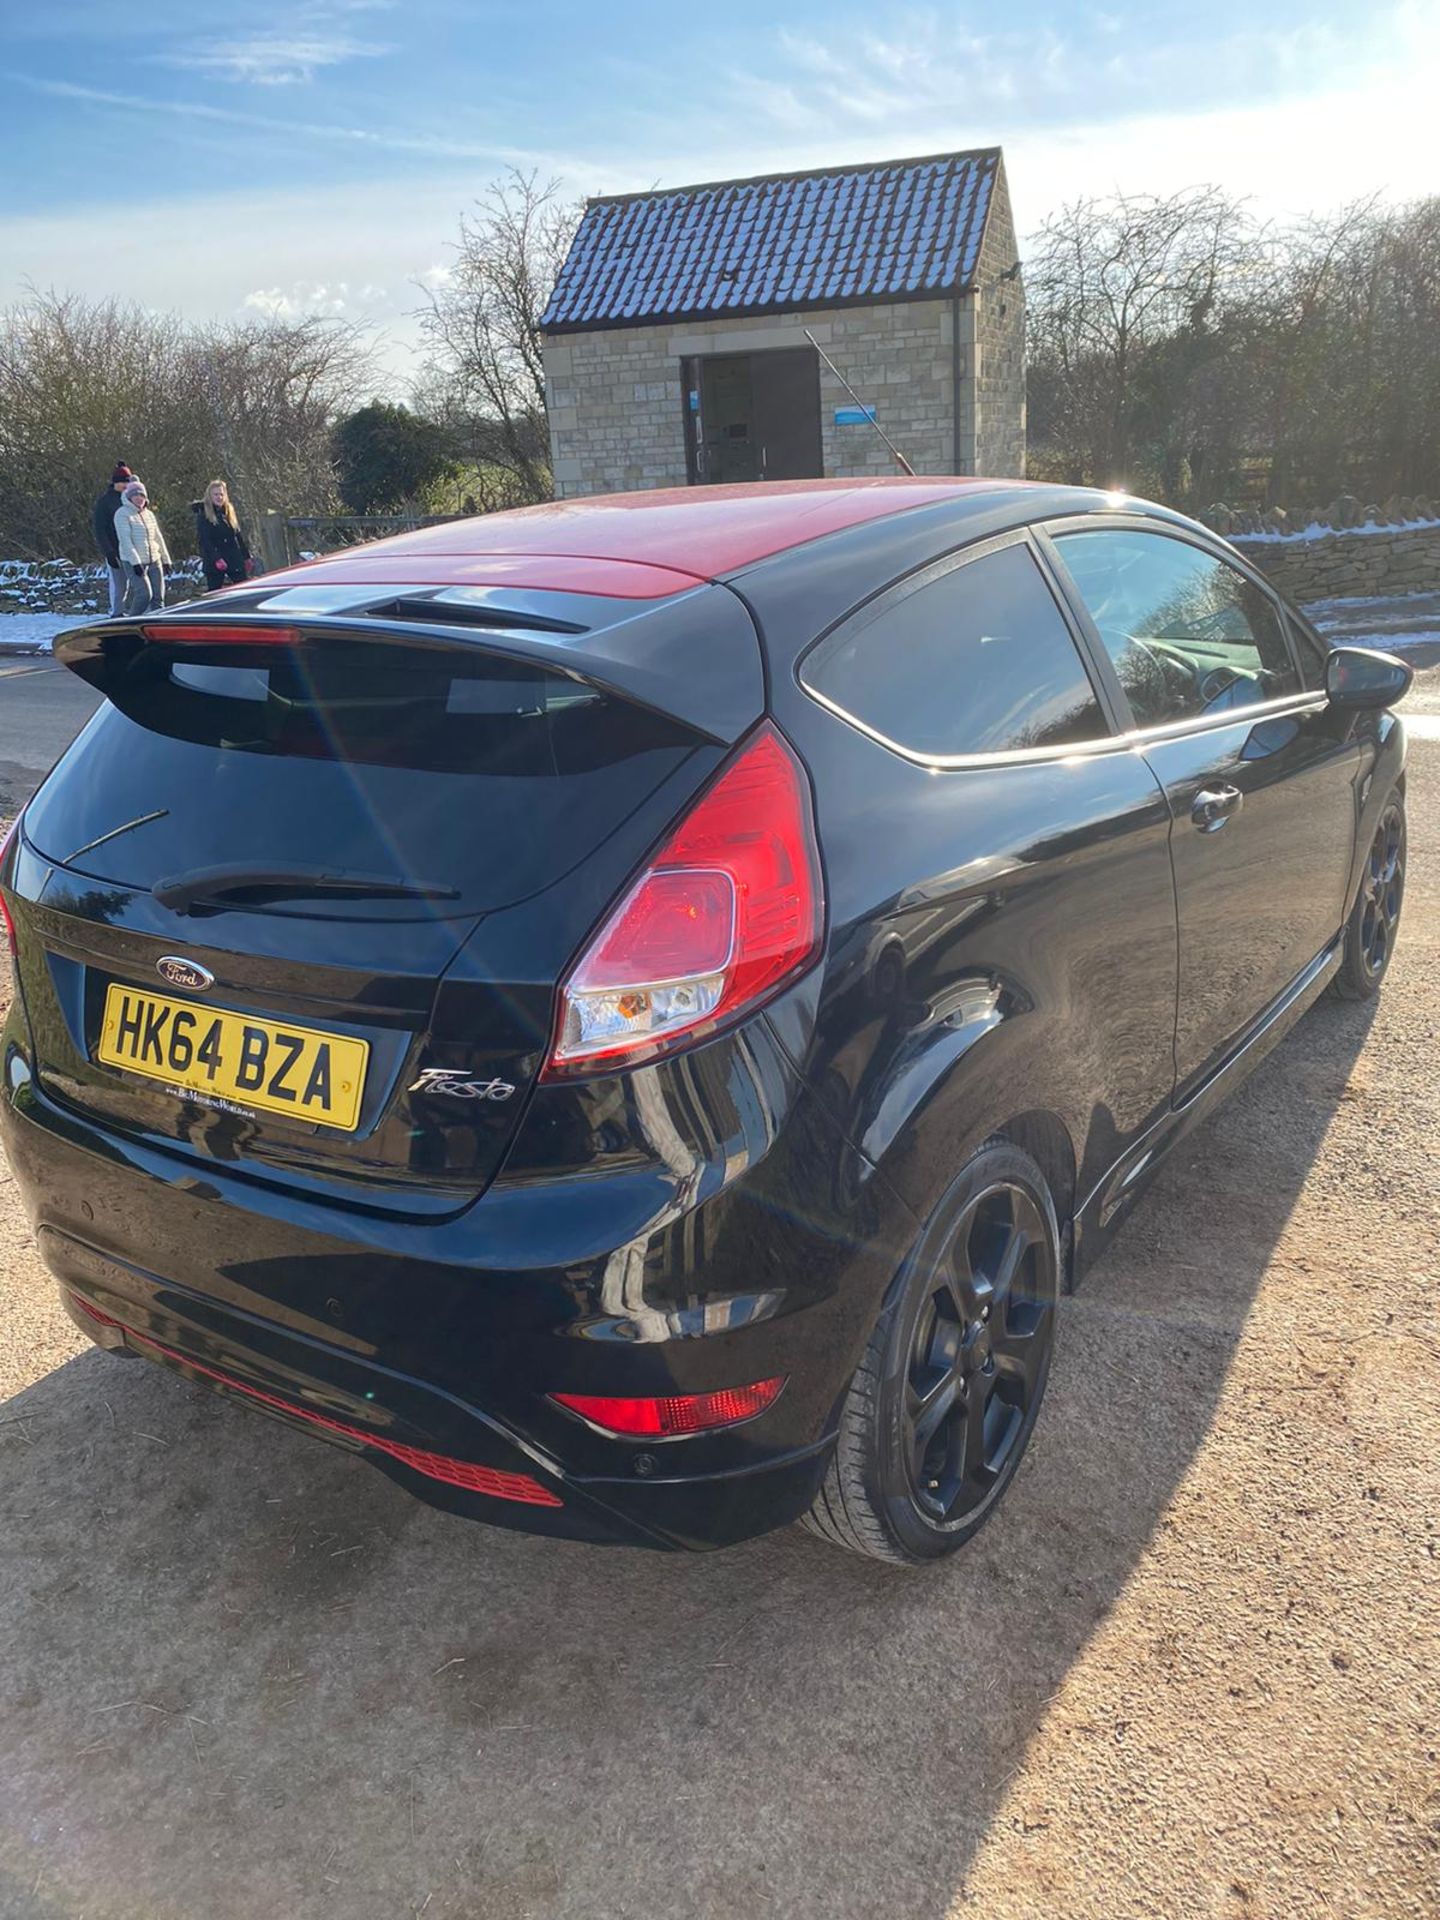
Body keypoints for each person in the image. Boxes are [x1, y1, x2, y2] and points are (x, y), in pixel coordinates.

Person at [115, 480, 172, 614]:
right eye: (136, 495)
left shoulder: (149, 514)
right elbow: (125, 541)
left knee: (158, 598)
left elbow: (158, 537)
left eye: (142, 495)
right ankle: (131, 624)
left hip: (154, 559)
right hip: (133, 562)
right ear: (129, 497)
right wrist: (136, 563)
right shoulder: (122, 514)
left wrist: (166, 559)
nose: (139, 498)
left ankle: (159, 628)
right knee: (144, 595)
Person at [191, 478, 253, 592]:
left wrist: (246, 557)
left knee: (243, 589)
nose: (219, 497)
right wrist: (217, 559)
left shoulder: (228, 511)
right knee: (215, 592)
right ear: (210, 496)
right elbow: (205, 540)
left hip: (233, 557)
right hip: (215, 560)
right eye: (216, 494)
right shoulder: (203, 514)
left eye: (221, 494)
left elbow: (238, 536)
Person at [91, 463, 135, 615]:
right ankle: (117, 612)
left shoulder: (131, 500)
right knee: (119, 585)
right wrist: (108, 552)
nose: (124, 485)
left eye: (127, 481)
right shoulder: (105, 502)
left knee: (138, 584)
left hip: (133, 549)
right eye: (122, 481)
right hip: (115, 549)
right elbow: (100, 529)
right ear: (115, 482)